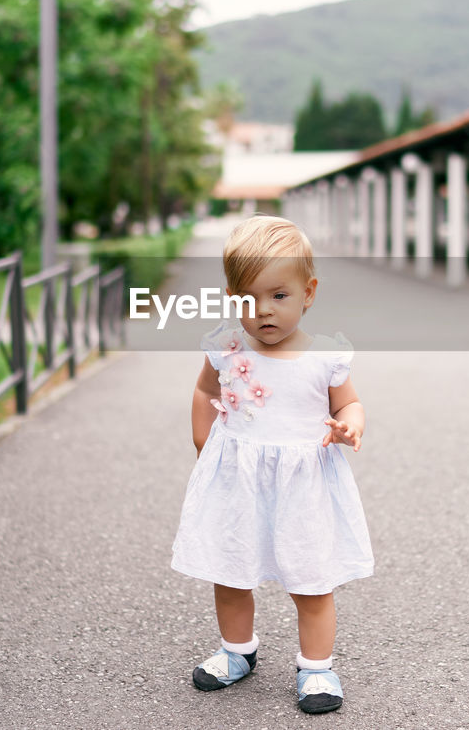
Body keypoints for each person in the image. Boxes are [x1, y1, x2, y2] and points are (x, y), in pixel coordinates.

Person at [171, 215, 373, 715]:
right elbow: (204, 390)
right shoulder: (226, 346)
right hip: (237, 479)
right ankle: (237, 651)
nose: (262, 311)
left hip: (303, 486)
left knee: (311, 580)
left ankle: (317, 666)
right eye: (248, 298)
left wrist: (350, 424)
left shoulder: (325, 356)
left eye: (278, 296)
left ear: (309, 292)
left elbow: (350, 403)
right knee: (231, 571)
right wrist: (203, 442)